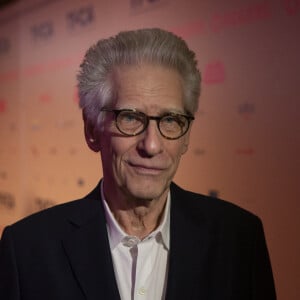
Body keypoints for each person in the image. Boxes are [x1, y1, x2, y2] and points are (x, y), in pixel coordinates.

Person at [0, 28, 276, 300]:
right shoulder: (26, 251)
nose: (152, 145)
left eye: (170, 120)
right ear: (92, 130)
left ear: (186, 136)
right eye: (130, 118)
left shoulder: (240, 240)